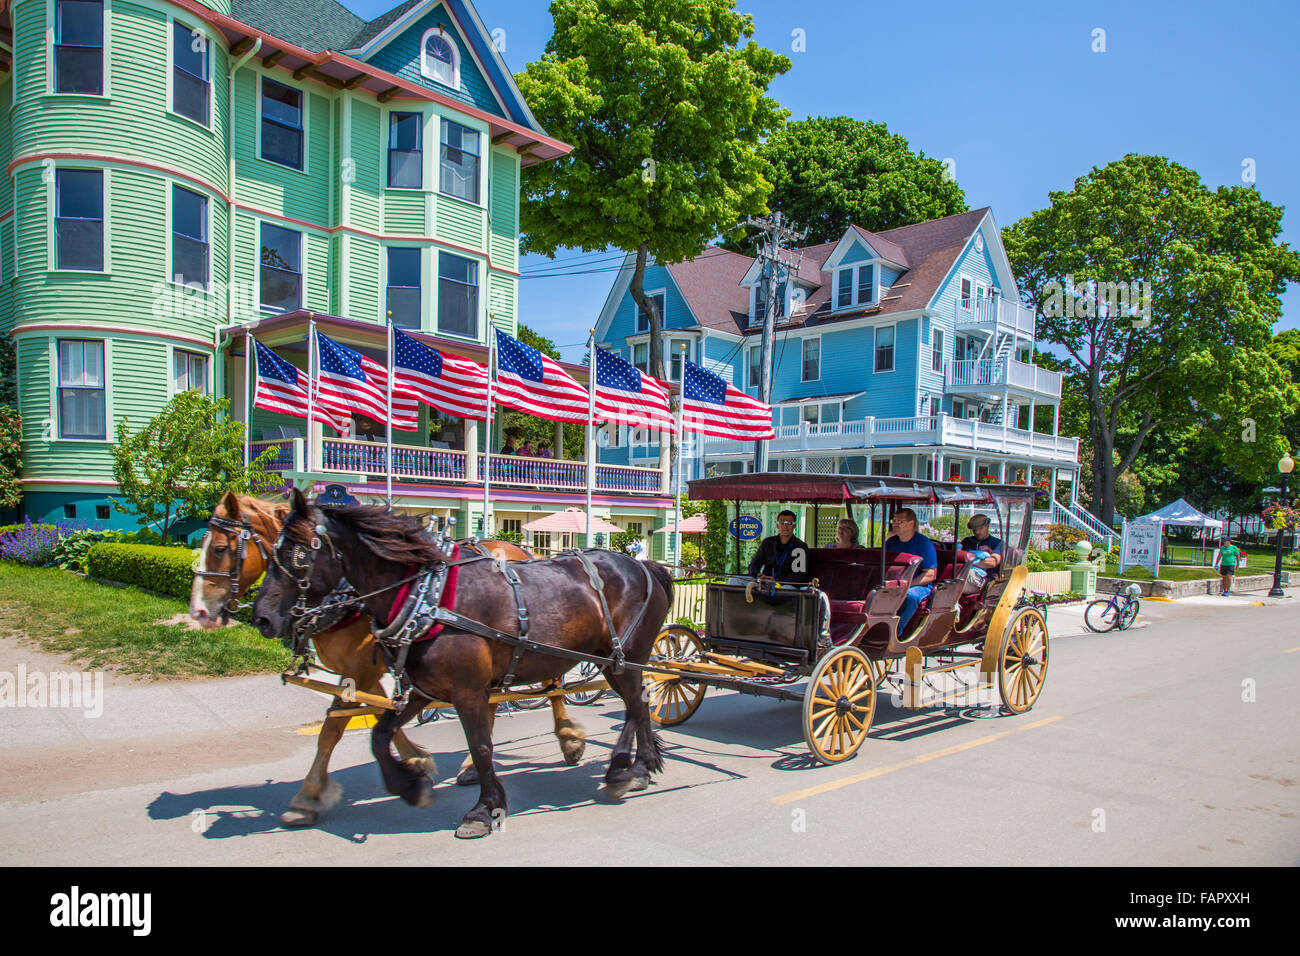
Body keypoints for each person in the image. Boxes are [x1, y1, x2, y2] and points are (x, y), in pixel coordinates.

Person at [884, 507, 938, 637]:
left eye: (899, 521)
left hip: (919, 586)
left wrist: (908, 584)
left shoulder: (923, 544)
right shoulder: (891, 542)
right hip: (893, 583)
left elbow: (930, 574)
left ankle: (896, 633)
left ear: (911, 523)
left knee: (910, 597)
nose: (895, 524)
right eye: (894, 521)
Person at [747, 509, 812, 585]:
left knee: (785, 590)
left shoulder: (800, 547)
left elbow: (799, 574)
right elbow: (754, 564)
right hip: (764, 582)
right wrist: (758, 575)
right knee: (734, 581)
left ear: (794, 525)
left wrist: (777, 581)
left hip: (786, 585)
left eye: (789, 523)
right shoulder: (767, 543)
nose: (785, 526)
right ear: (777, 525)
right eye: (782, 523)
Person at [960, 513, 1003, 581]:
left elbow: (992, 562)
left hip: (986, 579)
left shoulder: (997, 543)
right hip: (964, 576)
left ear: (987, 526)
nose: (977, 532)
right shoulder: (967, 541)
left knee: (967, 575)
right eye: (974, 529)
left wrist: (969, 562)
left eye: (980, 529)